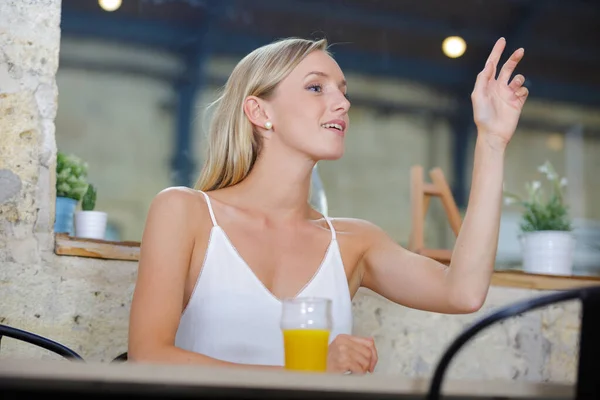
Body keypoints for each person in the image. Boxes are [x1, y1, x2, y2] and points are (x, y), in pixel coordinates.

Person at [128, 36, 529, 374]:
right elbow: (148, 358)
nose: (342, 103)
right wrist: (309, 371)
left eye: (342, 90)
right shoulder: (184, 212)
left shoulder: (355, 242)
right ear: (259, 111)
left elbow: (463, 293)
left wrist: (492, 141)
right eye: (317, 87)